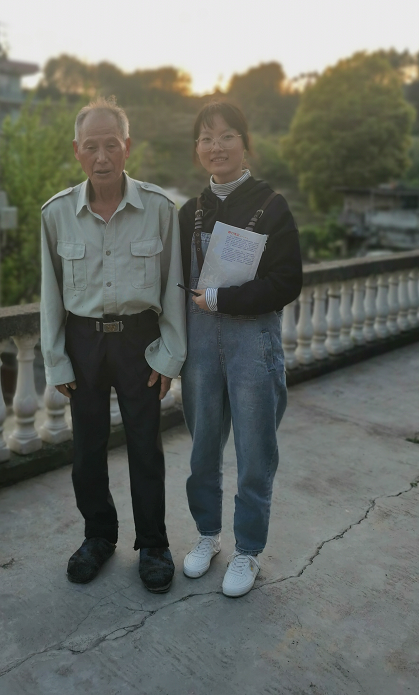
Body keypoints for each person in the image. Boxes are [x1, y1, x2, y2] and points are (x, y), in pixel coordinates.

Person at [40, 96, 186, 593]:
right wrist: (56, 359)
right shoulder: (57, 213)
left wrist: (170, 355)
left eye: (110, 145)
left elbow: (173, 287)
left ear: (127, 146)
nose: (101, 157)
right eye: (91, 147)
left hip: (140, 341)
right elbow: (50, 293)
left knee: (145, 446)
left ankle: (154, 545)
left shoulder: (159, 209)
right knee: (87, 449)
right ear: (76, 151)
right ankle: (98, 536)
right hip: (83, 342)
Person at [178, 101, 302, 597]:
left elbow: (287, 281)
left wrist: (222, 299)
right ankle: (208, 535)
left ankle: (247, 549)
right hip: (201, 348)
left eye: (227, 136)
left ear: (245, 145)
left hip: (253, 344)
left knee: (255, 452)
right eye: (207, 138)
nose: (217, 147)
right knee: (203, 449)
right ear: (197, 149)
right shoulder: (189, 212)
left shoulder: (272, 206)